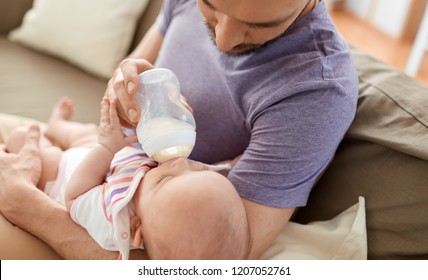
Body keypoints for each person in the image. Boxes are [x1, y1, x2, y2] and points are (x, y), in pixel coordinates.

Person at [0, 0, 358, 259]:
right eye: (210, 6)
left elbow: (200, 266)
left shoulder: (315, 91)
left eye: (260, 26)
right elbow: (125, 84)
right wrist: (125, 91)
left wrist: (23, 203)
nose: (224, 41)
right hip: (109, 164)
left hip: (95, 229)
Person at [4, 96, 249, 260]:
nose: (179, 163)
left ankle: (47, 137)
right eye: (199, 170)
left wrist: (107, 148)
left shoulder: (114, 218)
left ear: (136, 229)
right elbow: (207, 184)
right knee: (86, 133)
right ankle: (56, 126)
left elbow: (75, 196)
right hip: (109, 157)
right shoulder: (172, 200)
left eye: (164, 181)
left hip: (63, 172)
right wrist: (226, 168)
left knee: (22, 137)